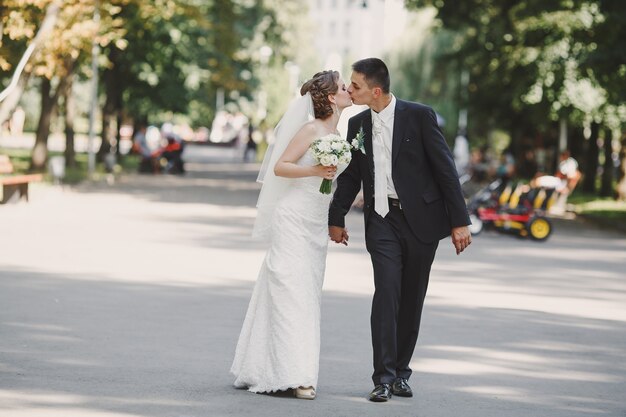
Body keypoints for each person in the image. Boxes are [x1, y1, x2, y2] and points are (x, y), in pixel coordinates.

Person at [328, 58, 471, 402]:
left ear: (375, 91)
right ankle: (383, 377)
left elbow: (445, 170)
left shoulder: (420, 116)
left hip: (422, 220)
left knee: (411, 297)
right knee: (387, 292)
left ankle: (402, 374)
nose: (349, 89)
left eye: (356, 86)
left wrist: (459, 221)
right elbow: (350, 175)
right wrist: (336, 217)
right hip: (381, 220)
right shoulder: (357, 124)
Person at [231, 70, 353, 400]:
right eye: (344, 87)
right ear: (331, 97)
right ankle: (298, 375)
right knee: (291, 292)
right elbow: (281, 166)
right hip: (293, 218)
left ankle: (255, 364)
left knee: (302, 293)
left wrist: (335, 220)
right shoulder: (311, 129)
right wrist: (315, 170)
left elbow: (333, 184)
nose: (349, 90)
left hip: (314, 224)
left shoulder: (336, 132)